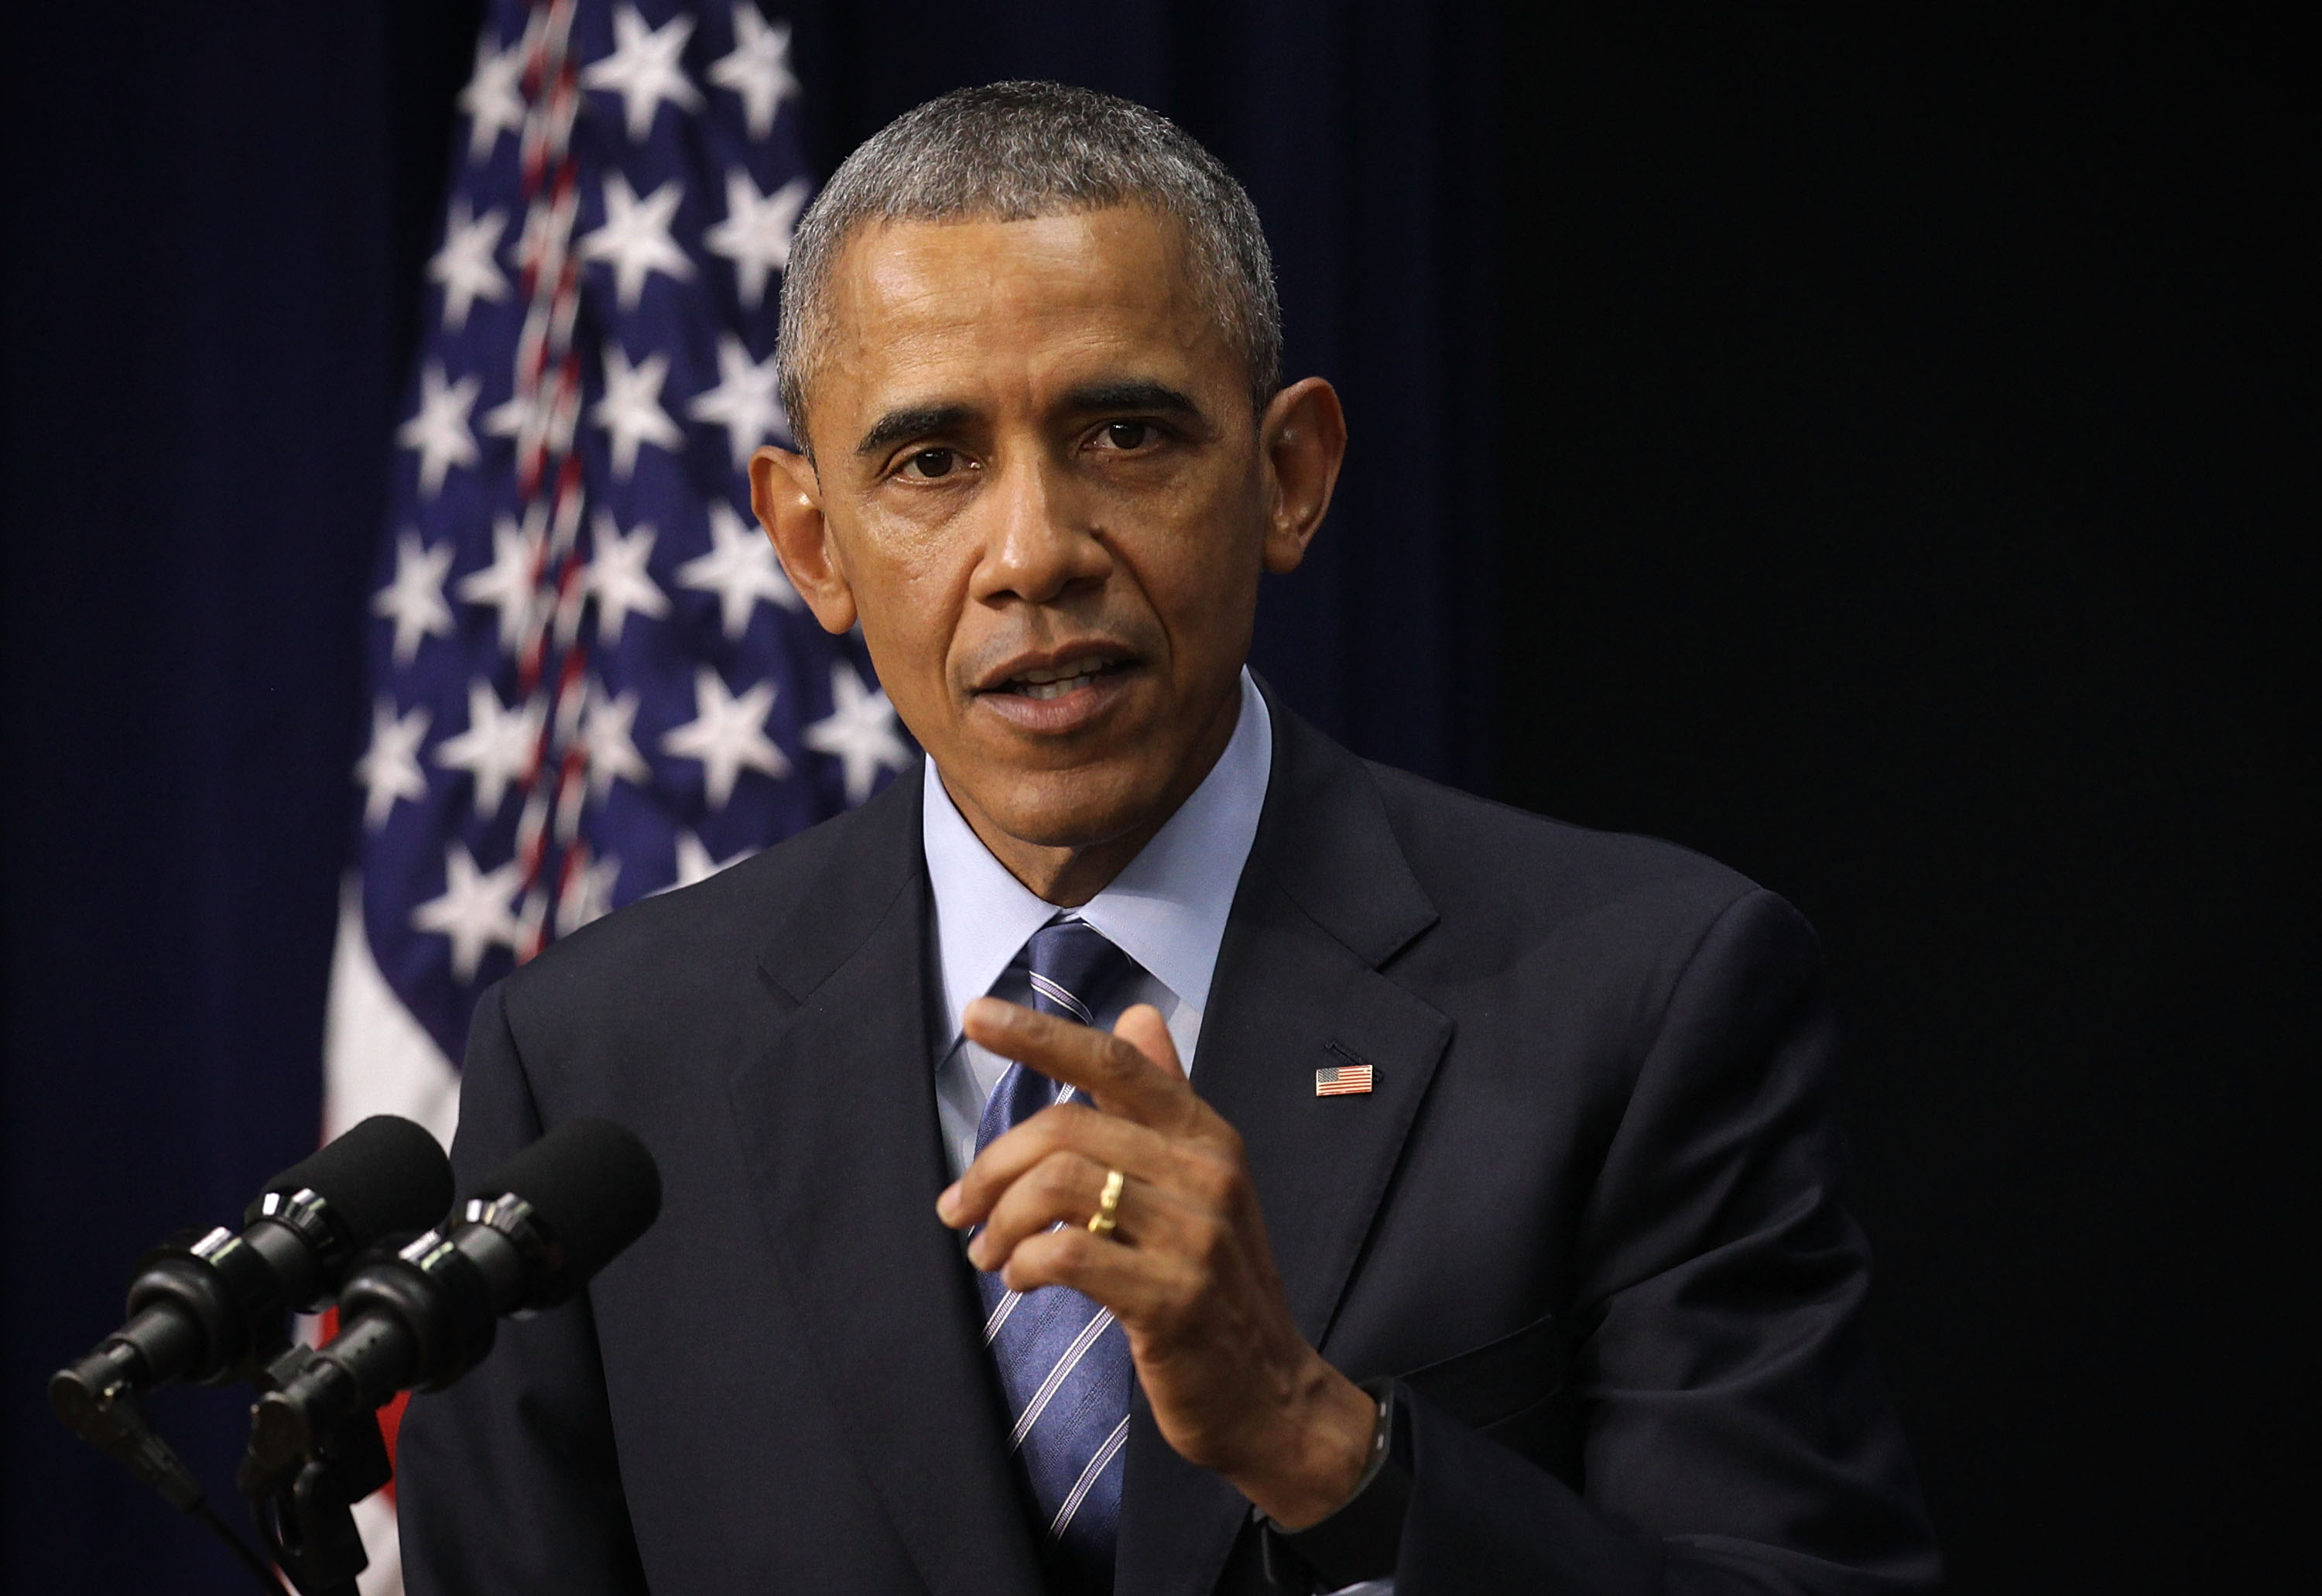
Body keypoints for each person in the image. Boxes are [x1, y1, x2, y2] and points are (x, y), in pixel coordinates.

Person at [399, 81, 1939, 1595]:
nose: (1034, 553)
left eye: (1124, 433)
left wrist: (1319, 1441)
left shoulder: (1640, 998)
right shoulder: (599, 1067)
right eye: (932, 461)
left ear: (1289, 474)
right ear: (811, 538)